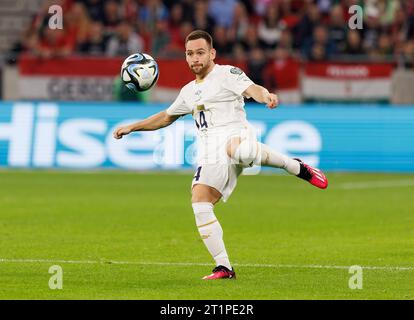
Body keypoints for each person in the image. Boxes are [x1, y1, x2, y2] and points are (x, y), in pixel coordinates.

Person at [113, 30, 328, 280]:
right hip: (210, 153)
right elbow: (165, 117)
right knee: (200, 203)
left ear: (212, 53)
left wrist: (266, 95)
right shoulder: (188, 92)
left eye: (200, 53)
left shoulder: (227, 74)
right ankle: (224, 267)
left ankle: (296, 167)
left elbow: (252, 89)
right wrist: (132, 126)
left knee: (236, 149)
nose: (195, 58)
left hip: (237, 134)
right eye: (190, 54)